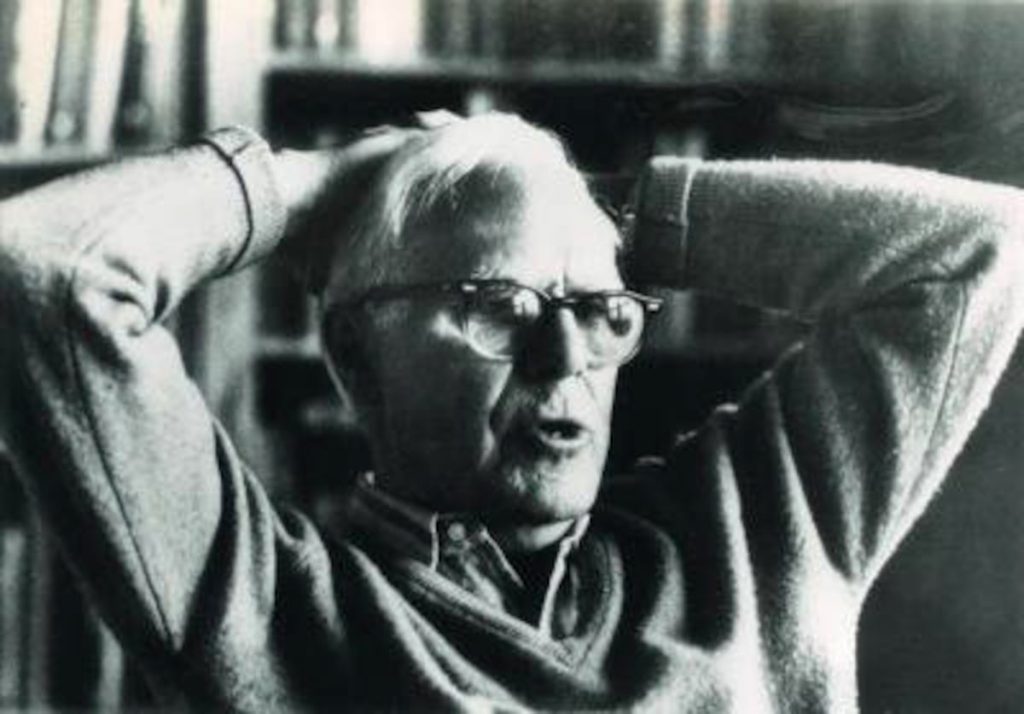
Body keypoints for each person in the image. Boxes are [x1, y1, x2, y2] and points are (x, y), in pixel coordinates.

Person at [0, 111, 1021, 712]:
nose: (565, 355)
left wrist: (591, 203)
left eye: (599, 310)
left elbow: (979, 253)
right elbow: (45, 269)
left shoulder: (749, 544)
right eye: (497, 306)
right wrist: (317, 183)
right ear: (354, 352)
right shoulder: (263, 608)